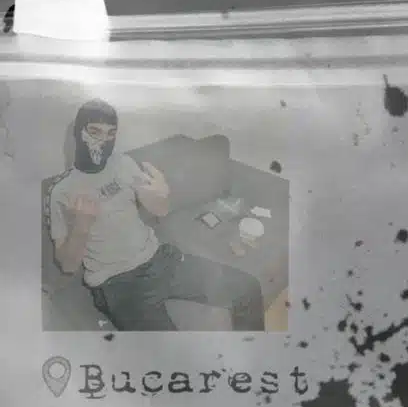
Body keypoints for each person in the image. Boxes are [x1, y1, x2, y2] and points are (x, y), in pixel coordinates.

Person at [48, 99, 265, 332]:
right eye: (95, 132)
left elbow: (160, 210)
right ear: (78, 133)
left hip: (159, 258)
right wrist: (81, 227)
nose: (104, 140)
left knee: (248, 288)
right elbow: (68, 266)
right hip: (118, 283)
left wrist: (162, 194)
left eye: (111, 133)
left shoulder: (123, 163)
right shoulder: (62, 192)